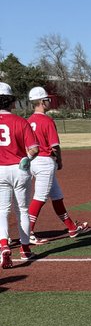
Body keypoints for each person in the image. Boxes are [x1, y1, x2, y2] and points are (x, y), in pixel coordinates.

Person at [26, 86, 89, 243]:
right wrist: (59, 160)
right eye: (47, 99)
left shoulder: (29, 121)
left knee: (57, 196)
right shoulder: (47, 120)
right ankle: (28, 232)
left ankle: (71, 227)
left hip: (33, 161)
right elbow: (54, 146)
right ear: (41, 101)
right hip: (45, 161)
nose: (49, 102)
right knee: (40, 197)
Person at [0, 81, 39, 267]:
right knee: (22, 210)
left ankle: (3, 245)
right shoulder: (21, 121)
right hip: (19, 168)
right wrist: (27, 159)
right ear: (11, 102)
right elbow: (34, 149)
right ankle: (25, 249)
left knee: (2, 210)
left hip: (0, 170)